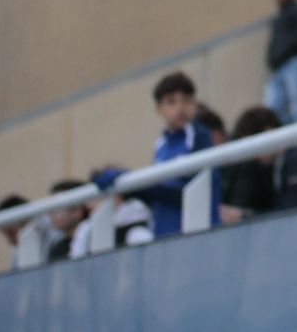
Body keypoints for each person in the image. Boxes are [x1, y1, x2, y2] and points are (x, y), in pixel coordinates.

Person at [92, 72, 221, 238]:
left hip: (196, 232)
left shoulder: (200, 137)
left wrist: (130, 180)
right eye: (171, 102)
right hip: (164, 233)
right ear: (159, 108)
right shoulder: (160, 145)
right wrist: (128, 186)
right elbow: (159, 194)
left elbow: (183, 190)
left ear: (195, 104)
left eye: (186, 100)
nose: (180, 108)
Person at [219, 106, 297, 223]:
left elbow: (293, 211)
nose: (253, 155)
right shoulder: (272, 166)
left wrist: (244, 217)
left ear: (269, 132)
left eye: (252, 147)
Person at [44, 179, 87, 262]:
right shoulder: (58, 248)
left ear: (77, 211)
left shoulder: (95, 240)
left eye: (56, 207)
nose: (50, 213)